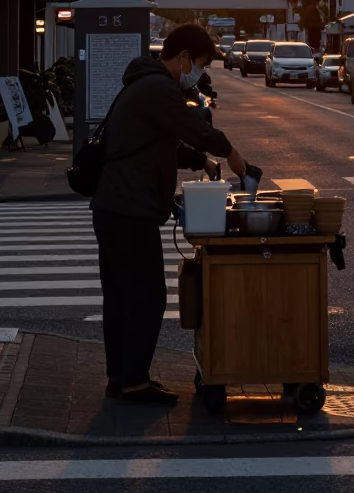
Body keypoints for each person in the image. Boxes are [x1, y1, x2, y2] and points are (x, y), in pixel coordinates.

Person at [91, 24, 246, 405]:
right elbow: (192, 127)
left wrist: (200, 161)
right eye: (199, 65)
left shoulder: (145, 83)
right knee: (147, 296)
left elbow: (159, 142)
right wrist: (231, 155)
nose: (198, 74)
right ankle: (133, 382)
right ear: (182, 58)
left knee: (122, 297)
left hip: (113, 205)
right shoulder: (160, 88)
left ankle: (122, 376)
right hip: (129, 209)